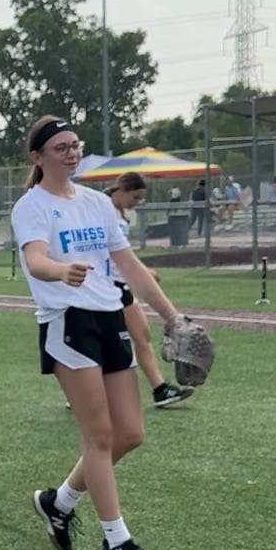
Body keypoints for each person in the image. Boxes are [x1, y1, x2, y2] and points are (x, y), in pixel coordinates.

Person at [15, 115, 188, 550]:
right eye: (60, 147)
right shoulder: (32, 206)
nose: (71, 153)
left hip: (110, 319)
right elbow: (35, 259)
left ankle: (60, 502)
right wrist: (60, 270)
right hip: (69, 322)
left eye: (75, 145)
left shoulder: (96, 203)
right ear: (38, 157)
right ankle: (117, 544)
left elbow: (129, 266)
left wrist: (173, 317)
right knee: (100, 437)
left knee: (130, 433)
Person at [102, 172, 193, 407]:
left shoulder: (123, 213)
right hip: (104, 285)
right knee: (103, 342)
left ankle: (160, 389)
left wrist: (142, 270)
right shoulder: (101, 209)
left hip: (119, 284)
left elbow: (123, 252)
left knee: (142, 335)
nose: (137, 202)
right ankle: (81, 392)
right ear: (121, 190)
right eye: (135, 197)